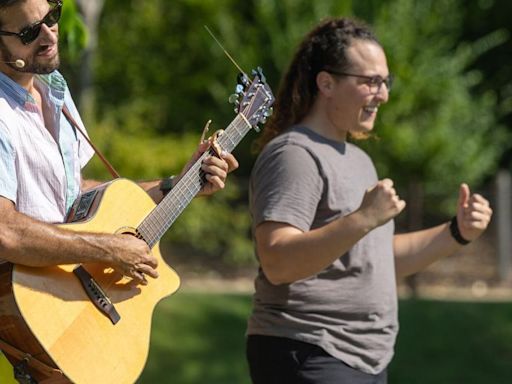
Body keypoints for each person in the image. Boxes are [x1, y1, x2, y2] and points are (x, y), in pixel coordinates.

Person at [0, 0, 238, 381]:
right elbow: (5, 231)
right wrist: (110, 249)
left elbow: (73, 196)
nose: (48, 35)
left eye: (53, 17)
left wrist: (176, 184)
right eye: (29, 32)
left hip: (66, 307)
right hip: (21, 322)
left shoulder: (55, 91)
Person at [245, 16, 492, 384]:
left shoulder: (357, 159)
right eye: (371, 82)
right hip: (309, 351)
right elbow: (278, 259)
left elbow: (375, 261)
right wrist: (362, 219)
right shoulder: (295, 154)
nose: (384, 94)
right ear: (326, 83)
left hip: (363, 360)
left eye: (385, 81)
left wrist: (457, 232)